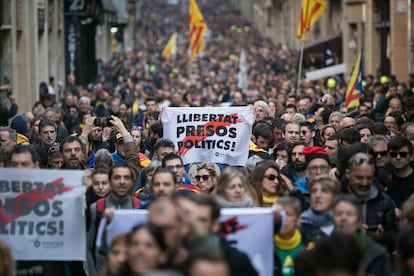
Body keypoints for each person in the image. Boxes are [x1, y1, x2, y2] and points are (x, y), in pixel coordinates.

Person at [340, 145, 398, 253]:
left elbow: (394, 240)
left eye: (369, 178)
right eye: (359, 177)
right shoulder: (334, 199)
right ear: (348, 174)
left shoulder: (384, 201)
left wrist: (381, 237)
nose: (364, 183)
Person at [87, 163, 141, 275]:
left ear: (132, 182)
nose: (122, 181)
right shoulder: (96, 208)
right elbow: (87, 247)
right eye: (117, 177)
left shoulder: (139, 207)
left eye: (126, 178)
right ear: (110, 182)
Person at [332, 194, 392, 276]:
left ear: (359, 222)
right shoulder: (322, 251)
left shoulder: (378, 255)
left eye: (349, 214)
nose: (343, 218)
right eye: (339, 214)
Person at [148, 197, 190, 274]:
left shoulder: (197, 268)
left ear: (183, 227)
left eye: (166, 229)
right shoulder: (139, 267)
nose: (160, 235)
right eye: (154, 228)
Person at [300, 177, 339, 248]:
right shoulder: (299, 225)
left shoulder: (342, 225)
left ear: (334, 197)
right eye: (314, 191)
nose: (317, 196)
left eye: (324, 191)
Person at [273, 197, 303, 276]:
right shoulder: (265, 245)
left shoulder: (309, 245)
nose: (284, 219)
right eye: (281, 215)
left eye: (289, 215)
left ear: (298, 220)